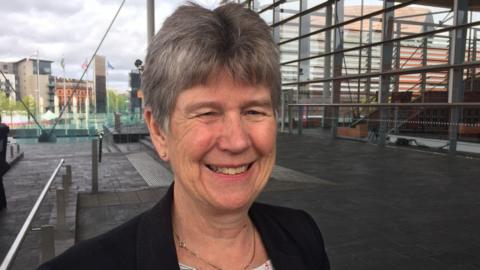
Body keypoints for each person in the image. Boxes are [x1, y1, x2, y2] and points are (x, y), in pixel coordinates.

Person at [38, 2, 329, 270]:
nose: (237, 141)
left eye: (254, 111)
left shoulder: (302, 235)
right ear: (158, 131)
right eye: (207, 113)